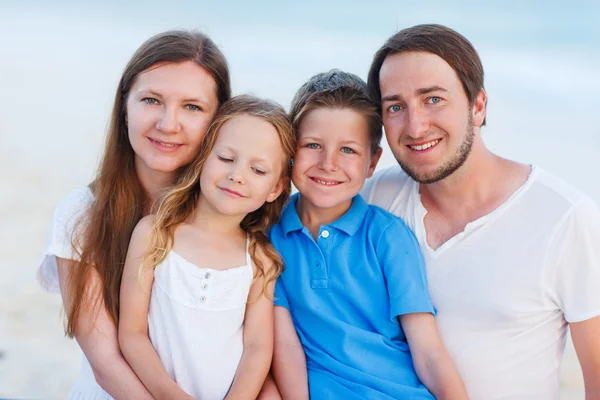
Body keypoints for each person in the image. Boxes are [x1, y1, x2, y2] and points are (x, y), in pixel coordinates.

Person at [362, 23, 600, 400]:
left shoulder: (565, 217)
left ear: (478, 106)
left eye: (433, 99)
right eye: (395, 106)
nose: (415, 125)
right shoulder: (374, 196)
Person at [37, 30, 231, 399]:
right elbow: (106, 362)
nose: (168, 123)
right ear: (124, 106)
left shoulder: (239, 213)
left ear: (219, 120)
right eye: (151, 100)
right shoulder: (82, 214)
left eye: (192, 107)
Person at [270, 70, 468, 400]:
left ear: (372, 162)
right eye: (313, 145)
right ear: (290, 150)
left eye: (348, 150)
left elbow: (428, 352)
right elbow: (283, 345)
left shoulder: (388, 237)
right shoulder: (270, 238)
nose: (328, 163)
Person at [118, 94, 295, 399]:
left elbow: (257, 348)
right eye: (226, 158)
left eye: (259, 170)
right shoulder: (154, 234)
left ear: (276, 188)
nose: (236, 175)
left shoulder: (258, 259)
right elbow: (132, 334)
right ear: (203, 158)